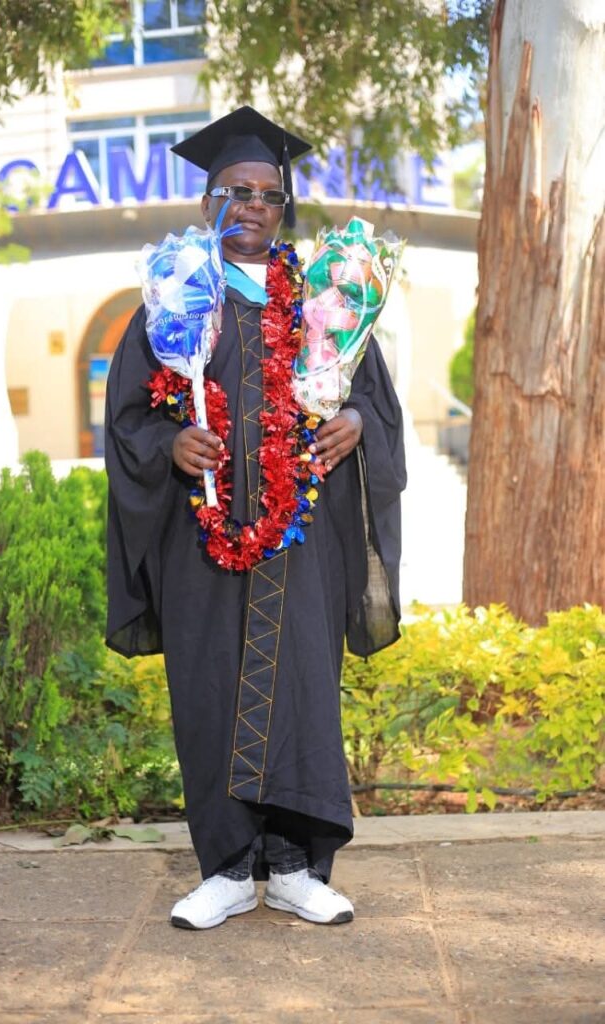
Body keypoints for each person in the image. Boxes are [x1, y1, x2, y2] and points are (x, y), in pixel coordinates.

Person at [104, 106, 406, 930]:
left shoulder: (327, 301)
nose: (254, 207)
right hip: (201, 539)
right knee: (209, 690)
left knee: (301, 688)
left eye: (270, 195)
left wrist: (358, 425)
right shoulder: (174, 299)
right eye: (238, 191)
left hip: (301, 540)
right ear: (210, 201)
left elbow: (375, 404)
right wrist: (169, 444)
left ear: (283, 208)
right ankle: (228, 872)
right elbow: (127, 420)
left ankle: (300, 868)